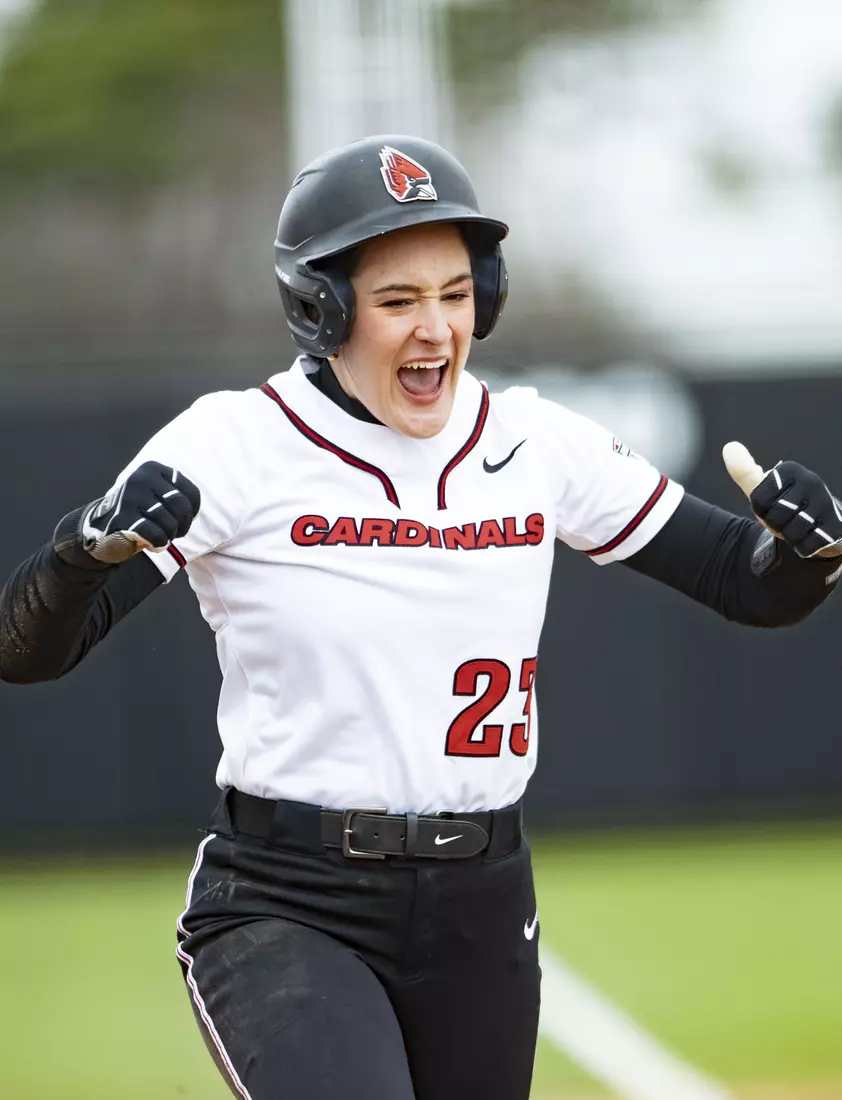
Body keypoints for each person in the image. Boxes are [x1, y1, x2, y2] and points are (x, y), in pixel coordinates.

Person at [1, 134, 840, 1100]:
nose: (436, 328)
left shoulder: (533, 440)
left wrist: (809, 553)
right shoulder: (237, 443)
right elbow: (29, 652)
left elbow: (747, 583)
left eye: (456, 293)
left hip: (483, 902)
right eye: (398, 301)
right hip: (290, 900)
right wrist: (81, 551)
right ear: (320, 310)